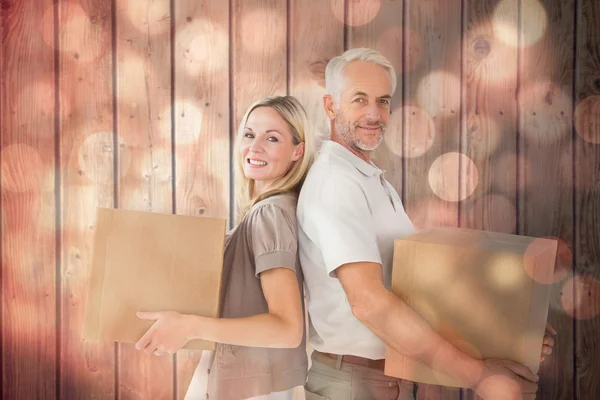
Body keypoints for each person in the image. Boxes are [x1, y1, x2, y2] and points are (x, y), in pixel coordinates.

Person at [296, 48, 556, 400]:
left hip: (387, 379)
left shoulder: (371, 181)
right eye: (359, 100)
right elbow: (369, 303)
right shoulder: (337, 183)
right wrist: (479, 375)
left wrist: (509, 332)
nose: (374, 114)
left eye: (383, 101)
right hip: (357, 384)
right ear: (330, 106)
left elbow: (414, 291)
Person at [134, 96, 315, 400]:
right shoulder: (274, 210)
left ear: (298, 150)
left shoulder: (269, 214)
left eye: (272, 138)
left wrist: (189, 326)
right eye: (249, 134)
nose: (254, 147)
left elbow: (286, 329)